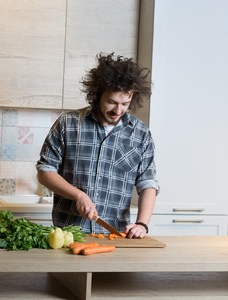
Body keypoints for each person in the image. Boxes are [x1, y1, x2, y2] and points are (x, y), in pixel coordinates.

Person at [36, 53, 159, 239]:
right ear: (97, 95)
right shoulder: (68, 124)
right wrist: (79, 196)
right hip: (69, 235)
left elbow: (147, 183)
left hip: (115, 235)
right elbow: (45, 172)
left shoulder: (141, 134)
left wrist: (142, 224)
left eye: (125, 103)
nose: (118, 110)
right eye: (112, 102)